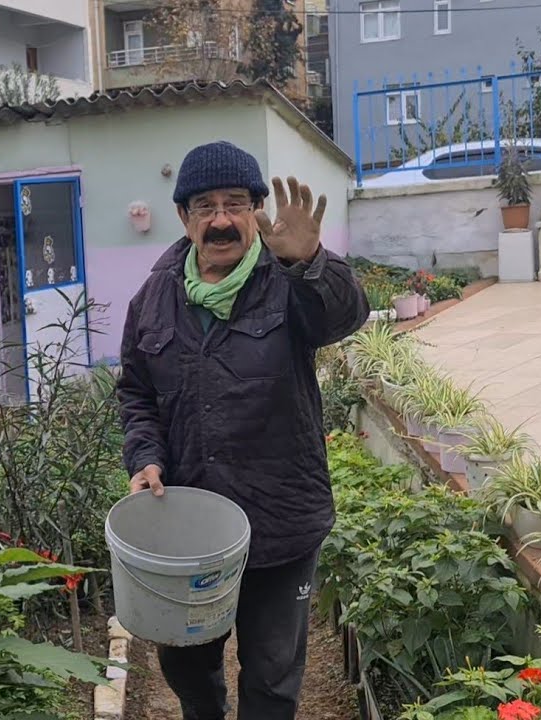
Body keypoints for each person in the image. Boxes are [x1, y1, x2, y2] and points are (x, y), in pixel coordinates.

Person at [116, 141, 368, 719]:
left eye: (236, 203)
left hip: (279, 524)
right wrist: (145, 457)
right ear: (184, 218)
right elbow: (136, 393)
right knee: (186, 667)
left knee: (274, 678)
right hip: (189, 532)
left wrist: (312, 264)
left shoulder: (288, 283)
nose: (222, 220)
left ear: (258, 210)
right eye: (205, 206)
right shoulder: (152, 300)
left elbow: (343, 316)